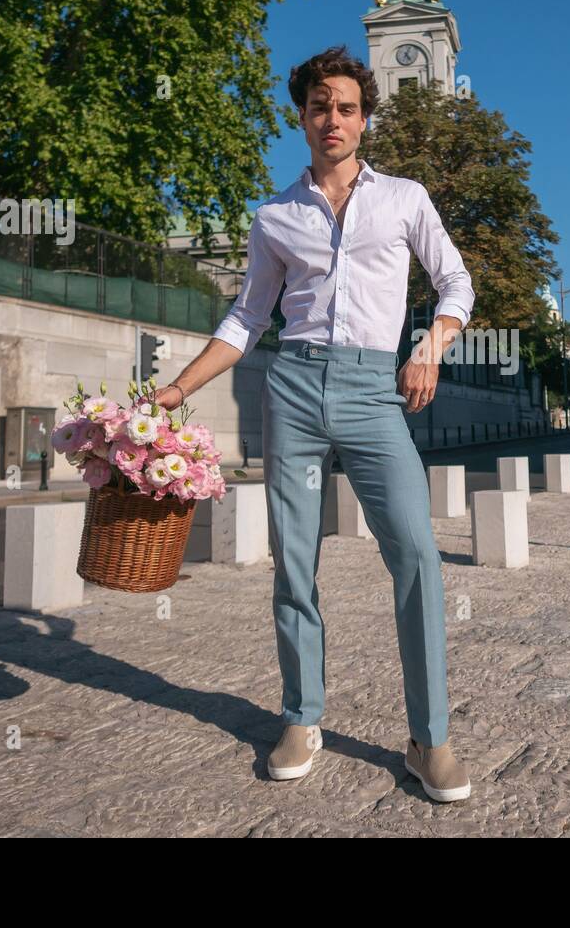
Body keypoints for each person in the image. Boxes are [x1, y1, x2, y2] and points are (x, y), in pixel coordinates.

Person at [153, 45, 474, 803]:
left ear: (364, 119)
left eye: (347, 107)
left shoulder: (405, 198)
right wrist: (177, 388)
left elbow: (455, 281)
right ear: (301, 116)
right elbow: (246, 318)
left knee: (418, 556)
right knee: (295, 562)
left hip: (373, 391)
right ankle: (302, 717)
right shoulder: (274, 216)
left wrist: (429, 348)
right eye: (319, 105)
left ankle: (430, 738)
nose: (333, 118)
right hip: (292, 389)